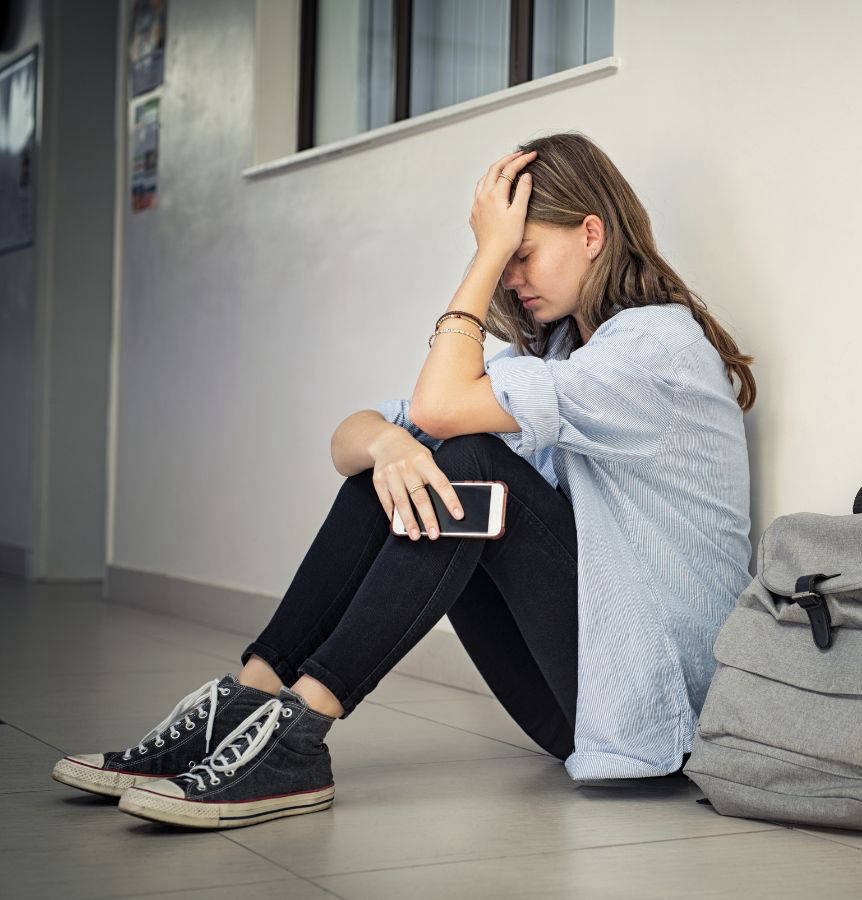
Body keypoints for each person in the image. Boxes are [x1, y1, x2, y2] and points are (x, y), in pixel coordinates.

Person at [50, 131, 757, 830]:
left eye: (522, 255)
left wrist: (483, 256)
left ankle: (298, 737)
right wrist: (388, 445)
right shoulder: (566, 352)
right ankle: (246, 702)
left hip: (657, 710)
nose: (511, 277)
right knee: (393, 469)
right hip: (583, 702)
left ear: (592, 234)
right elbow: (350, 439)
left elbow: (439, 408)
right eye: (502, 261)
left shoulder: (655, 348)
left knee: (468, 464)